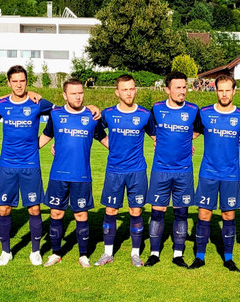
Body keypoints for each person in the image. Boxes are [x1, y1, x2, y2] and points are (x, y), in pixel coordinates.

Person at [190, 74, 240, 271]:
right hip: (208, 173)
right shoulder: (204, 113)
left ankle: (228, 258)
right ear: (216, 90)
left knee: (228, 216)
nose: (224, 94)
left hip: (230, 175)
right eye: (221, 90)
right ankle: (199, 257)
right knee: (203, 214)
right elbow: (191, 134)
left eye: (228, 90)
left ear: (234, 91)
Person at [0, 66, 53, 266]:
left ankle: (35, 251)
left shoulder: (38, 103)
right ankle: (6, 252)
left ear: (27, 82)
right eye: (14, 81)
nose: (19, 84)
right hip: (7, 164)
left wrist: (47, 140)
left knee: (34, 208)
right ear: (8, 83)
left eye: (22, 81)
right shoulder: (2, 104)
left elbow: (62, 116)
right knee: (4, 209)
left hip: (30, 165)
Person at [39, 78, 108, 268]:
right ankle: (55, 253)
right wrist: (23, 150)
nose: (78, 97)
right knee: (56, 214)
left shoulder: (92, 117)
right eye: (73, 93)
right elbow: (44, 138)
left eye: (81, 93)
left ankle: (83, 255)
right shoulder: (55, 115)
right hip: (58, 175)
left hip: (81, 176)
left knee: (81, 216)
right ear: (64, 95)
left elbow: (106, 141)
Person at [144, 71, 201, 267]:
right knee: (157, 212)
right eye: (178, 88)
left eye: (184, 87)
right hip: (160, 170)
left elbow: (198, 130)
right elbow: (150, 129)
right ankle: (154, 253)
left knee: (182, 213)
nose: (182, 91)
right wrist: (156, 140)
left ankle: (178, 254)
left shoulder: (194, 110)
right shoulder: (157, 109)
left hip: (184, 171)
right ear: (167, 89)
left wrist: (186, 141)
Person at [94, 75, 152, 267]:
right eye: (124, 89)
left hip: (137, 171)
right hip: (114, 171)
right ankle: (107, 253)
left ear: (135, 90)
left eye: (132, 89)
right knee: (111, 210)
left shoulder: (145, 114)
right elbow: (93, 130)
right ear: (117, 92)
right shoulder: (108, 113)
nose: (129, 93)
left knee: (136, 210)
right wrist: (108, 143)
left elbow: (158, 136)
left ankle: (135, 254)